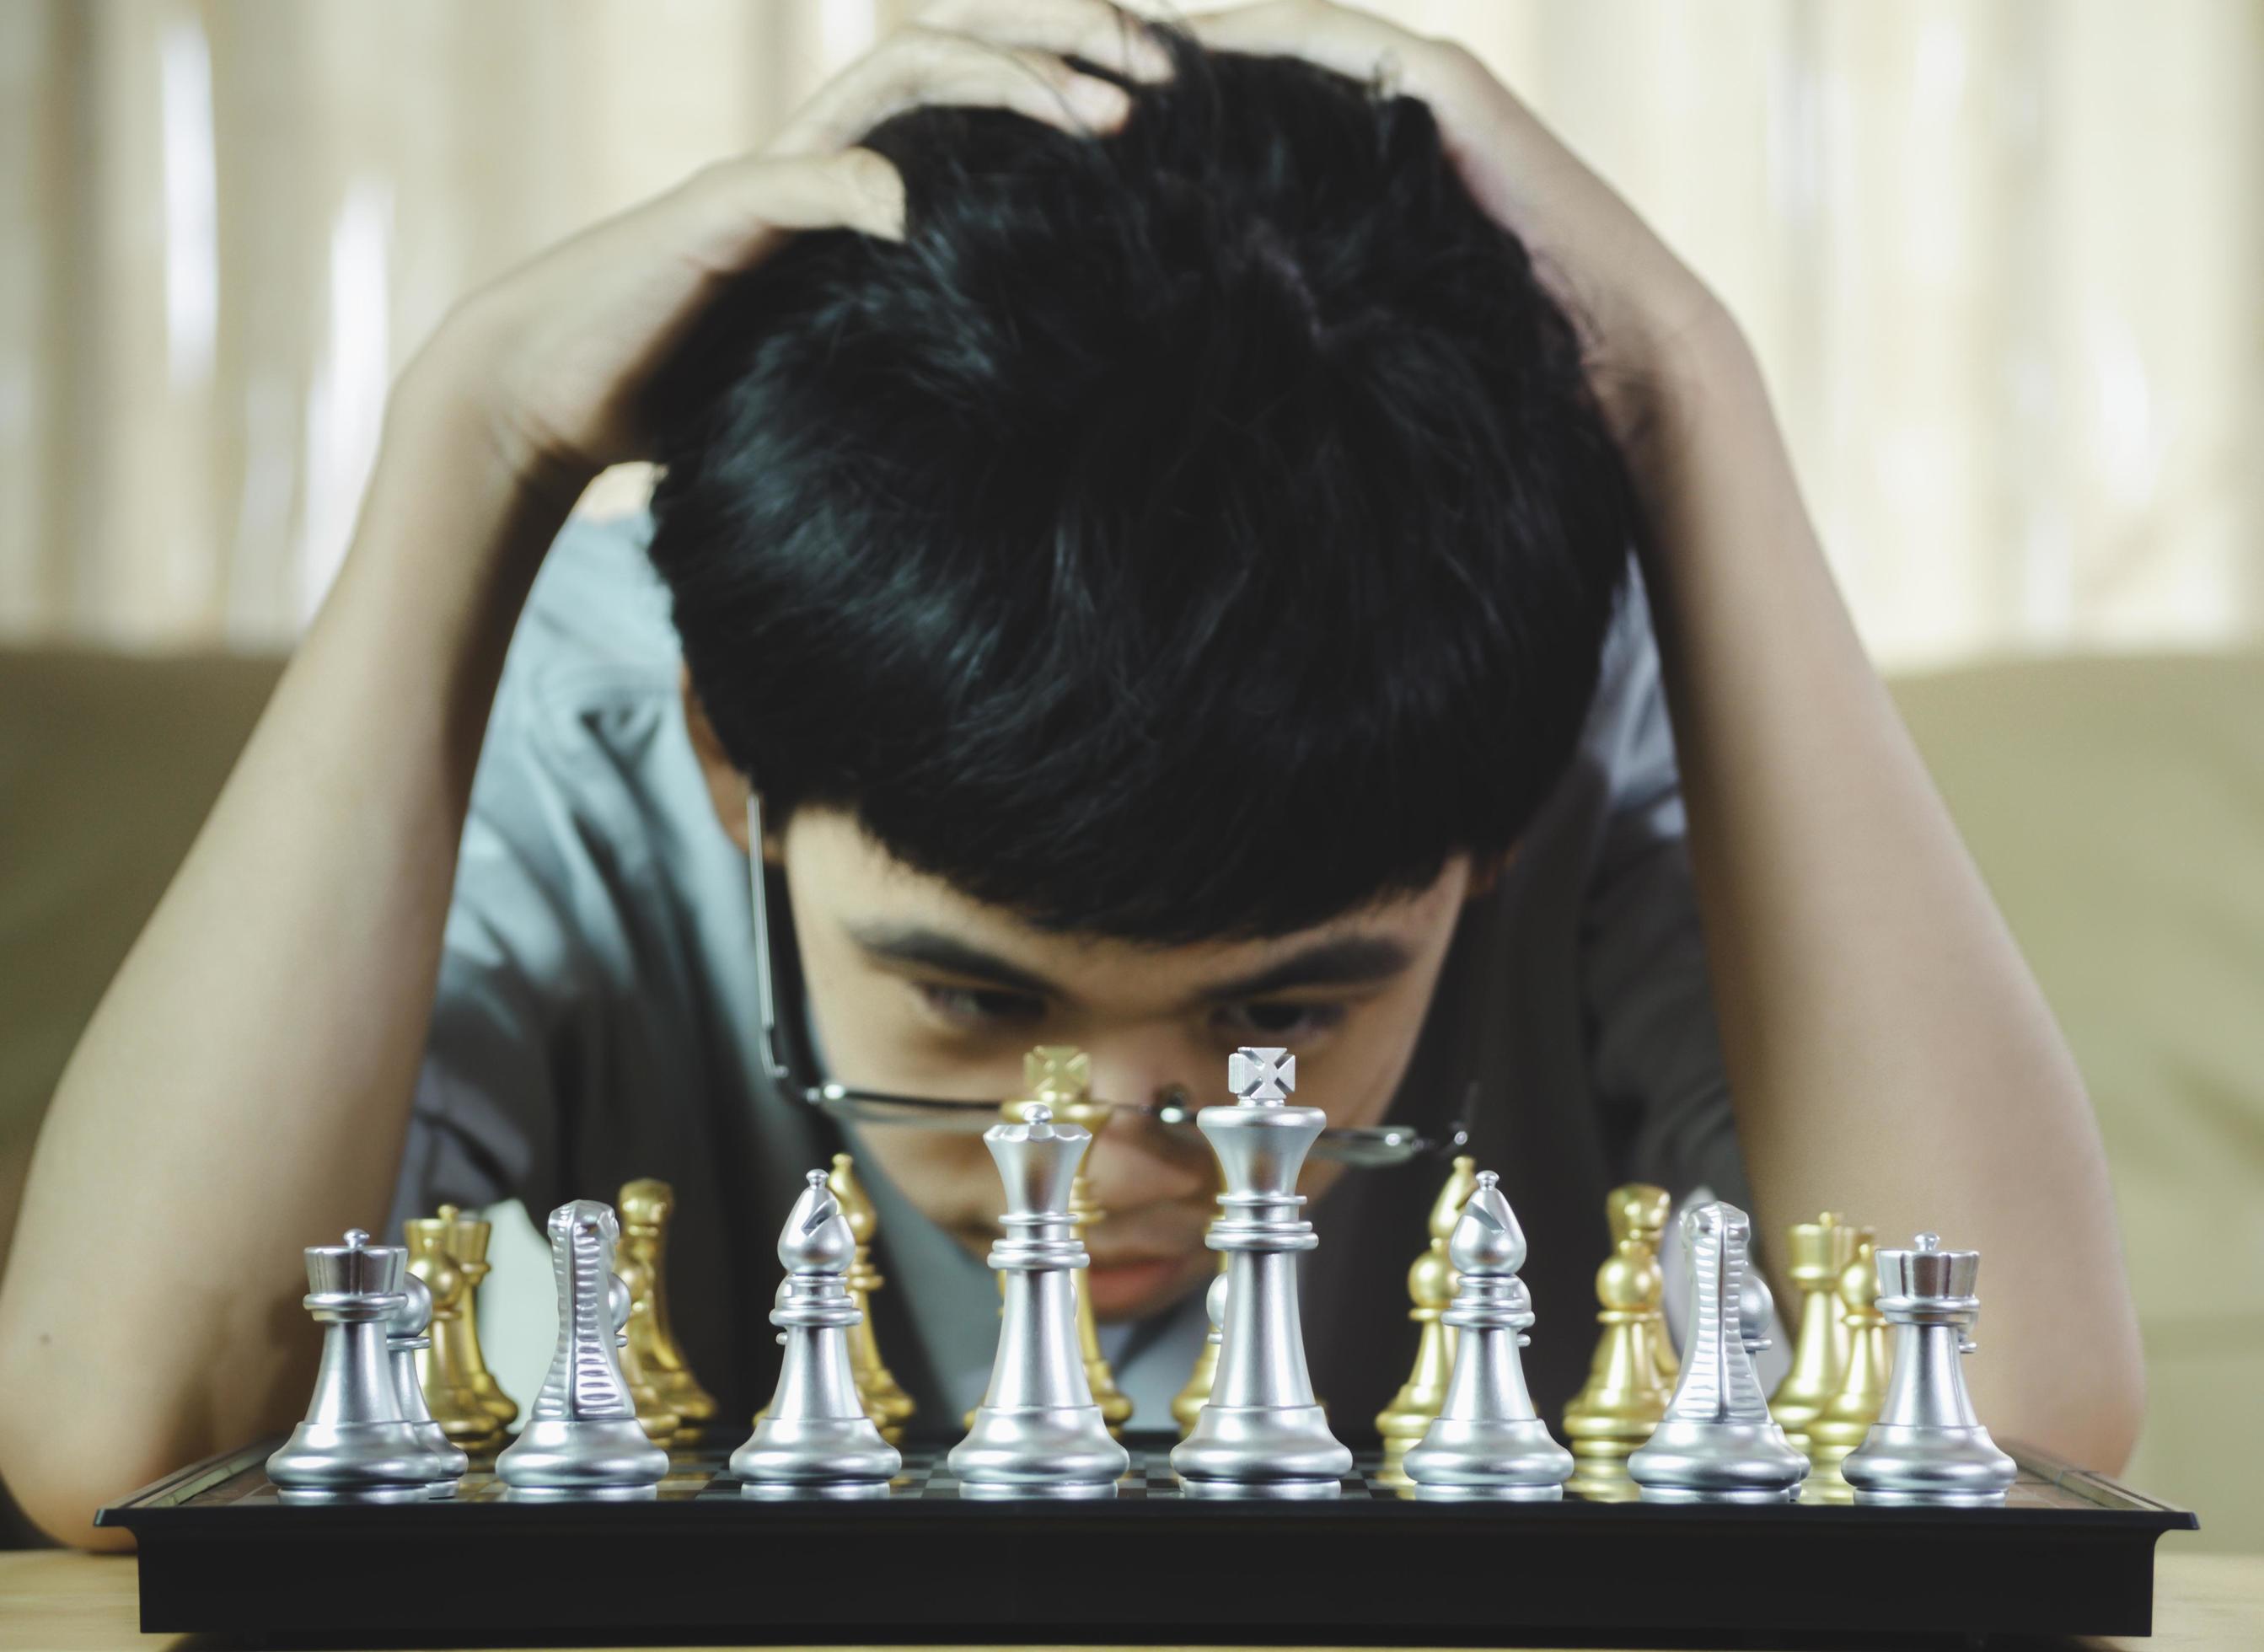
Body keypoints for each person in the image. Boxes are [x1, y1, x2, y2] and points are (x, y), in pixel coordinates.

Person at [0, 0, 2140, 1549]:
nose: (1102, 1151)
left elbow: (2019, 1425)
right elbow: (130, 1434)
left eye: (1284, 1008)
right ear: (729, 758)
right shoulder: (588, 704)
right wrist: (469, 433)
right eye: (973, 994)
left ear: (1480, 844)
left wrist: (1683, 384)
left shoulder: (1547, 722)